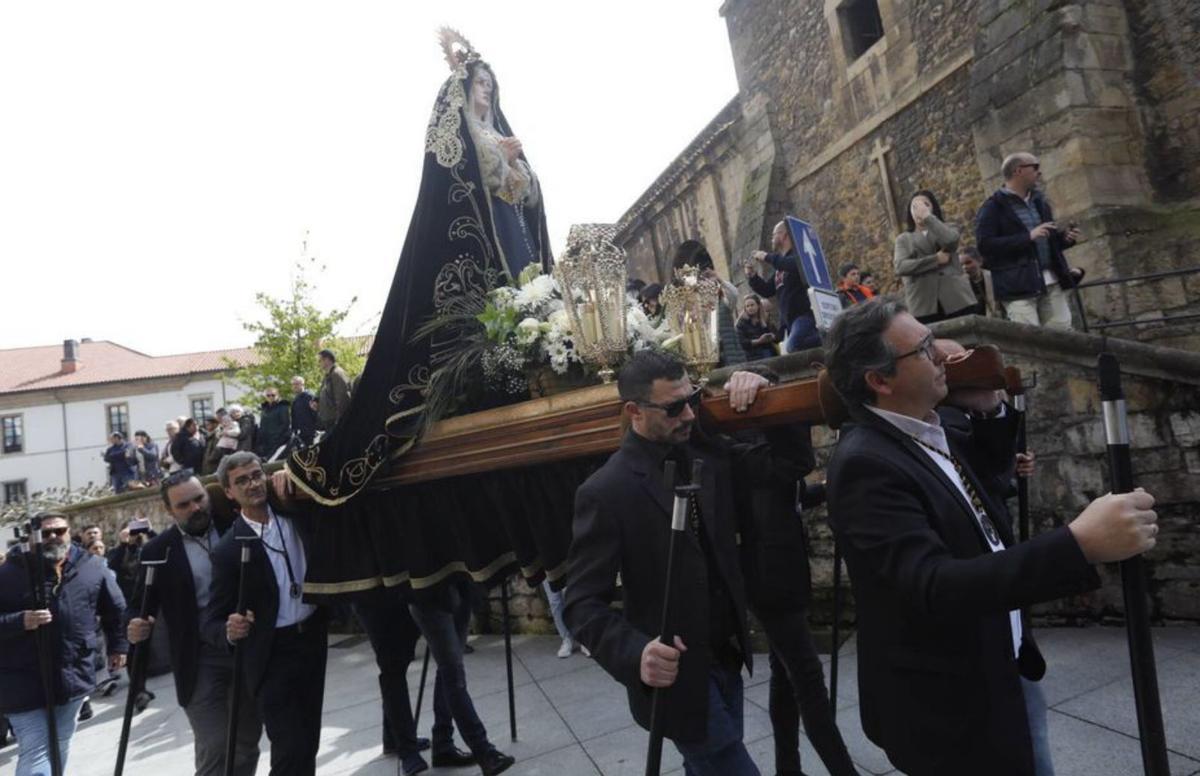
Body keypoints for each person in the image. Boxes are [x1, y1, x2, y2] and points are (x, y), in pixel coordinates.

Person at [823, 298, 1159, 775]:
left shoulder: (929, 429)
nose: (942, 356)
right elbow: (934, 585)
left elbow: (987, 505)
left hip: (999, 663)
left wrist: (986, 407)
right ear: (879, 380)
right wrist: (1078, 543)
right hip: (950, 708)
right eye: (923, 350)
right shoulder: (865, 463)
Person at [285, 28, 553, 506]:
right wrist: (497, 157)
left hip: (511, 240)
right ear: (463, 89)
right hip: (472, 248)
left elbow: (522, 195)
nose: (487, 90)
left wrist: (516, 167)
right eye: (479, 83)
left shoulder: (497, 131)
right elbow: (455, 174)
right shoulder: (460, 131)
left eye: (491, 83)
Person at [565, 349, 786, 775]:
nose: (688, 414)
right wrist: (636, 652)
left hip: (726, 655)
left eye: (694, 399)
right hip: (679, 676)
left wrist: (762, 386)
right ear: (634, 411)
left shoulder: (706, 454)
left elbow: (785, 467)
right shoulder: (606, 490)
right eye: (673, 407)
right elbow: (580, 604)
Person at [735, 421, 860, 776]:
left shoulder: (758, 449)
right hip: (771, 585)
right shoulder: (744, 447)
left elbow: (788, 492)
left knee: (783, 674)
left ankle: (787, 768)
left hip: (784, 577)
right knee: (808, 682)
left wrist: (826, 488)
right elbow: (790, 467)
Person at [125, 470, 262, 776]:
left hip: (244, 648)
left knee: (246, 741)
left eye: (199, 499)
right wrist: (133, 625)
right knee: (214, 743)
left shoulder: (238, 527)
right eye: (184, 505)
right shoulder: (158, 551)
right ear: (169, 510)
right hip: (198, 658)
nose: (195, 508)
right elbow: (138, 606)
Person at [206, 452, 327, 776]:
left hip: (312, 637)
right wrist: (229, 630)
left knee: (309, 741)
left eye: (257, 474)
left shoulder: (295, 513)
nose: (253, 484)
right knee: (288, 748)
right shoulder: (229, 549)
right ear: (229, 492)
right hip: (271, 653)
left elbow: (324, 482)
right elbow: (213, 620)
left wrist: (292, 473)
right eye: (241, 480)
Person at [0, 512, 128, 775]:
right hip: (20, 679)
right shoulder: (8, 574)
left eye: (59, 531)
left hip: (73, 673)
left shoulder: (92, 566)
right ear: (32, 537)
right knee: (35, 748)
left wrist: (119, 646)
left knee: (60, 742)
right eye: (45, 533)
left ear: (70, 532)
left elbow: (115, 609)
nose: (53, 537)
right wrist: (18, 621)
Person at [407, 574, 517, 775]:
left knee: (449, 670)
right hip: (428, 591)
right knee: (453, 673)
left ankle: (443, 743)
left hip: (460, 585)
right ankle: (484, 751)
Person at [975, 152, 1083, 329]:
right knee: (1030, 343)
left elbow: (1048, 240)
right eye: (1035, 167)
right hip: (1018, 287)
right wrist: (1028, 237)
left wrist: (1065, 239)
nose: (1039, 173)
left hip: (1051, 281)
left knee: (1064, 335)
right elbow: (985, 246)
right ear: (1018, 170)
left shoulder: (1040, 201)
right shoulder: (992, 208)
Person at [893, 190, 975, 323]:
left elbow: (950, 241)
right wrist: (935, 260)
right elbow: (900, 266)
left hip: (956, 298)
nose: (919, 209)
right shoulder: (904, 239)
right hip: (923, 303)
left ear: (933, 208)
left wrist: (927, 217)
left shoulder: (948, 228)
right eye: (915, 206)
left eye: (925, 204)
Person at [745, 220, 820, 353]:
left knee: (793, 346)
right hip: (790, 321)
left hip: (804, 316)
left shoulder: (797, 257)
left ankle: (828, 339)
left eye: (774, 235)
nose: (772, 239)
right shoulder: (780, 267)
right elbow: (767, 290)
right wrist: (752, 276)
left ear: (784, 235)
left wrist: (766, 256)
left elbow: (790, 264)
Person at [315, 350, 352, 433]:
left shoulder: (337, 374)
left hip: (335, 422)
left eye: (320, 360)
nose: (318, 363)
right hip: (328, 420)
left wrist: (339, 422)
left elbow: (343, 399)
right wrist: (316, 401)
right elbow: (322, 393)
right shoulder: (327, 376)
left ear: (327, 360)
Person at [958, 246, 1001, 317]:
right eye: (961, 265)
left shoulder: (992, 277)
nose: (964, 267)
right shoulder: (960, 284)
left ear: (980, 261)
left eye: (968, 262)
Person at [735, 293, 778, 361]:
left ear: (758, 305)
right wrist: (759, 341)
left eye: (752, 305)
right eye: (747, 306)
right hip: (752, 356)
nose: (750, 308)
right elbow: (742, 342)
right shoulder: (741, 323)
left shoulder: (765, 319)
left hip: (769, 352)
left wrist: (772, 336)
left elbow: (777, 337)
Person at [257, 388, 291, 460]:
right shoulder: (264, 408)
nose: (270, 397)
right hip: (265, 440)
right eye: (268, 395)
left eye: (273, 395)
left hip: (277, 440)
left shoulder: (283, 406)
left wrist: (276, 436)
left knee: (274, 461)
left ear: (277, 395)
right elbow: (262, 424)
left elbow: (285, 423)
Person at [289, 377, 318, 447]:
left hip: (309, 434)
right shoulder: (295, 400)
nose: (295, 386)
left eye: (297, 384)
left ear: (303, 384)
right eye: (293, 384)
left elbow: (316, 414)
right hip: (298, 434)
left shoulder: (310, 397)